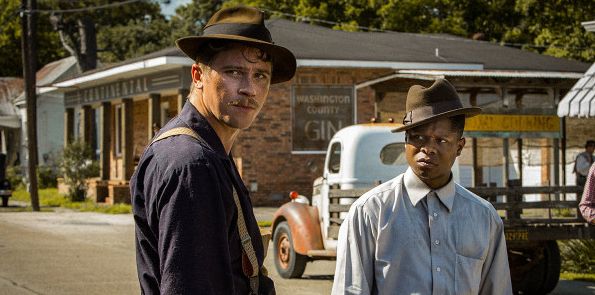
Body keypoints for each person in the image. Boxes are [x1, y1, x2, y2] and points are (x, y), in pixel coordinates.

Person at [130, 6, 296, 294]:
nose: (249, 89)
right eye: (234, 72)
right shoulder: (192, 163)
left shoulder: (208, 151)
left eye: (261, 76)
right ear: (198, 75)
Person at [332, 79, 512, 295]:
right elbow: (350, 290)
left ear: (459, 146)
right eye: (418, 138)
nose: (428, 149)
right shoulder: (370, 212)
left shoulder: (484, 218)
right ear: (405, 141)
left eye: (441, 140)